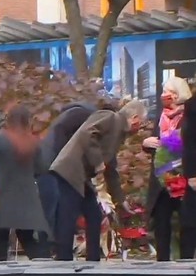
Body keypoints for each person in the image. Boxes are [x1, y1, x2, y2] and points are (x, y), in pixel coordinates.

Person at [50, 99, 148, 261]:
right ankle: (63, 261)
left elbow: (111, 170)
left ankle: (93, 260)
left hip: (82, 177)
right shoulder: (110, 117)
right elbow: (87, 133)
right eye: (141, 123)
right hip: (70, 171)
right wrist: (98, 162)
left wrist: (120, 200)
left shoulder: (118, 133)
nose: (141, 127)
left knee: (94, 216)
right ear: (135, 118)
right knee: (68, 217)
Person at [0, 105, 50, 261]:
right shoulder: (33, 141)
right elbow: (42, 168)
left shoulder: (1, 138)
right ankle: (43, 268)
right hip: (27, 194)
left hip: (3, 193)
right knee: (27, 237)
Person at [145, 77, 194, 260]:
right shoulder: (162, 116)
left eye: (169, 91)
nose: (164, 95)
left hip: (184, 178)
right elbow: (156, 144)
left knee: (187, 225)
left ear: (179, 93)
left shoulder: (190, 115)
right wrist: (147, 143)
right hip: (161, 181)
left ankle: (187, 263)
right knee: (161, 226)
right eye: (164, 91)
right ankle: (162, 266)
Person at [37, 102, 97, 244]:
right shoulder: (84, 116)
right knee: (57, 211)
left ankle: (53, 249)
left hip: (50, 165)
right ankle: (48, 249)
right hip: (54, 167)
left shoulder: (70, 116)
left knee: (56, 210)